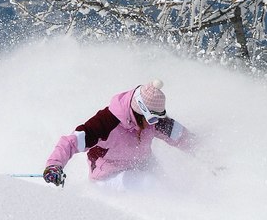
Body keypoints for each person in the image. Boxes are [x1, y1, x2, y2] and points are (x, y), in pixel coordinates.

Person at [42, 78, 194, 191]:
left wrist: (209, 156)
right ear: (139, 111)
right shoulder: (106, 122)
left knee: (170, 187)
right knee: (151, 185)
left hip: (142, 165)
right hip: (109, 176)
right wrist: (54, 166)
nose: (154, 123)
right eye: (151, 118)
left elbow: (183, 138)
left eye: (158, 118)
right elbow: (71, 142)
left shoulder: (154, 121)